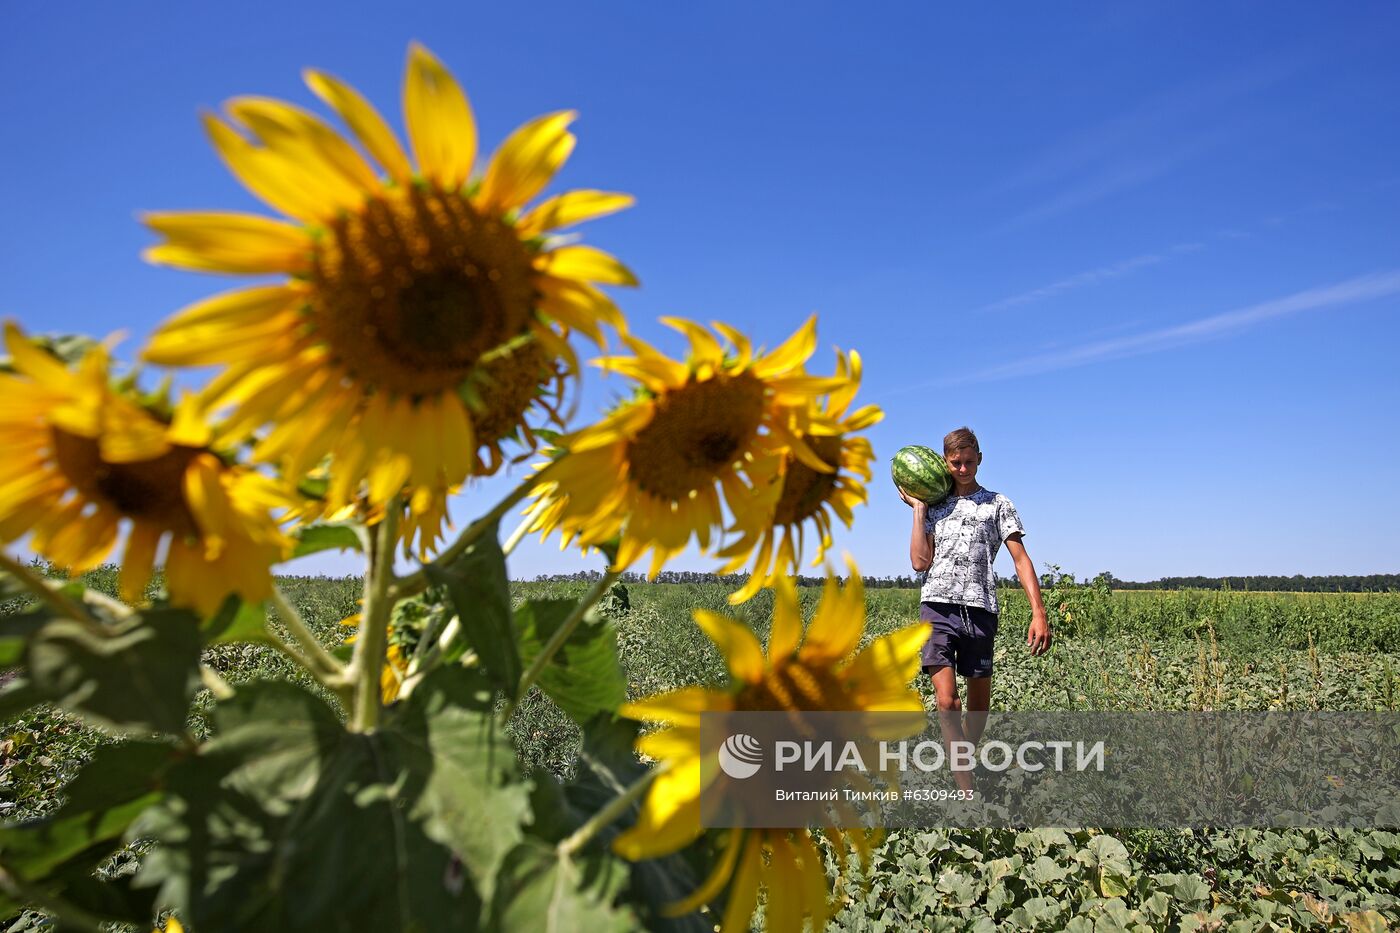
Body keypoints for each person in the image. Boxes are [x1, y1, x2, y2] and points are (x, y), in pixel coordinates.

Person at [898, 426, 1051, 791]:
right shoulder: (934, 505)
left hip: (980, 609)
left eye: (969, 462)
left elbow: (1021, 560)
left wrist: (1039, 612)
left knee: (978, 709)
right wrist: (919, 510)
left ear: (979, 459)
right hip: (937, 608)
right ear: (945, 463)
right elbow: (920, 563)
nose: (963, 469)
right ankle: (967, 794)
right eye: (955, 463)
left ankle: (960, 758)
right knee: (948, 702)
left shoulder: (999, 504)